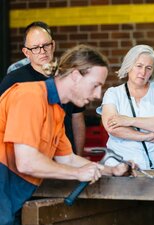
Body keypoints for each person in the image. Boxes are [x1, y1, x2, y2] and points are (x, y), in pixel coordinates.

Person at [0, 44, 134, 225]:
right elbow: (27, 162)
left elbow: (68, 159)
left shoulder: (56, 111)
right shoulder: (30, 97)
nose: (97, 94)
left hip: (12, 194)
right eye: (95, 85)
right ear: (76, 76)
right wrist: (77, 173)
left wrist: (112, 170)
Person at [0, 21, 86, 155]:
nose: (42, 51)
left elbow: (77, 118)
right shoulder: (12, 80)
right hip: (28, 159)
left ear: (53, 45)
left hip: (66, 157)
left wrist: (78, 156)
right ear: (26, 52)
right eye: (35, 47)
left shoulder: (69, 78)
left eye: (46, 45)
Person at [97, 45, 154, 170]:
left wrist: (129, 121)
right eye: (139, 66)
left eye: (148, 68)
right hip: (122, 167)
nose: (143, 72)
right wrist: (147, 136)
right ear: (129, 66)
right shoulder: (113, 93)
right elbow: (112, 128)